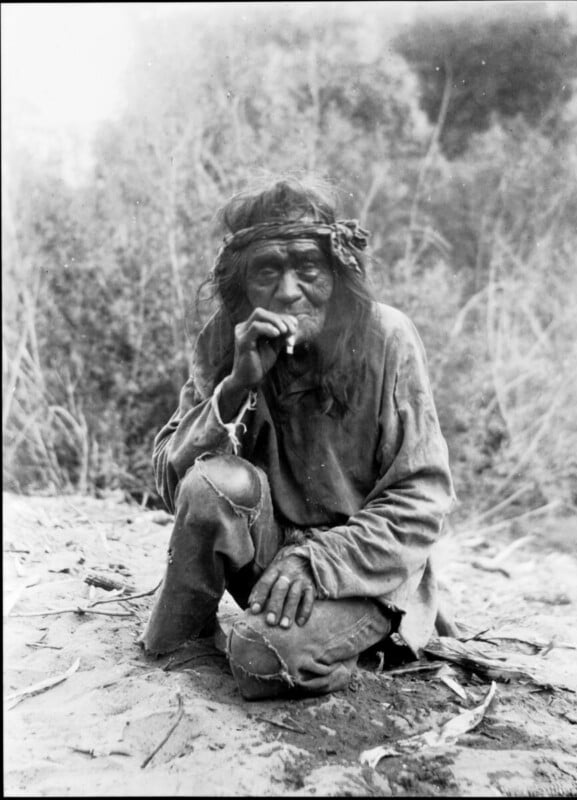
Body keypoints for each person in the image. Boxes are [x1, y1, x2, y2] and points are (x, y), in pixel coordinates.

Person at [140, 178, 455, 700]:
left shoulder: (387, 338)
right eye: (267, 271)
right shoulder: (229, 339)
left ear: (336, 272)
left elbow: (422, 500)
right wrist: (236, 385)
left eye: (307, 268)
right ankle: (189, 637)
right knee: (213, 483)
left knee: (260, 658)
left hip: (361, 570)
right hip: (273, 565)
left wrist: (317, 560)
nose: (288, 291)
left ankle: (358, 643)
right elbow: (176, 483)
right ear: (243, 285)